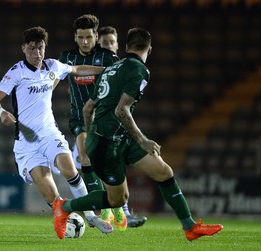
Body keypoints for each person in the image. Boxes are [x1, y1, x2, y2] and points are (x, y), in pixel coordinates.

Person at [52, 28, 223, 240]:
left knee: (164, 172)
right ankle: (65, 207)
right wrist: (143, 140)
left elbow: (88, 108)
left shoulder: (112, 68)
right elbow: (121, 110)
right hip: (107, 143)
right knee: (117, 199)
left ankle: (190, 227)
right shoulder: (139, 70)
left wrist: (90, 135)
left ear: (125, 47)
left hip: (116, 137)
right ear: (149, 50)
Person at [0, 26, 113, 235]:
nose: (37, 53)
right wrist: (1, 113)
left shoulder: (53, 66)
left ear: (45, 48)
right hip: (26, 144)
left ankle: (92, 217)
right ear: (23, 48)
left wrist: (105, 70)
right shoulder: (16, 72)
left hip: (49, 134)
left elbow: (76, 69)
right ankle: (62, 215)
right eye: (32, 48)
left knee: (70, 170)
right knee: (53, 198)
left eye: (41, 48)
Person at [58, 14, 127, 231]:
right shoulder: (66, 57)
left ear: (96, 36)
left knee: (103, 161)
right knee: (84, 155)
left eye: (89, 37)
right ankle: (102, 206)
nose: (85, 41)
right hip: (80, 117)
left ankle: (114, 204)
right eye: (81, 37)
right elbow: (52, 79)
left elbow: (122, 82)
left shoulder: (108, 57)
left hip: (105, 118)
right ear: (75, 37)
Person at [97, 25, 148, 228]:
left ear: (119, 45)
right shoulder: (95, 64)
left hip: (113, 126)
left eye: (111, 42)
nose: (108, 45)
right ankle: (110, 211)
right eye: (104, 43)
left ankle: (117, 212)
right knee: (92, 165)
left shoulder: (121, 65)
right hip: (94, 124)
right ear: (98, 45)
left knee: (112, 167)